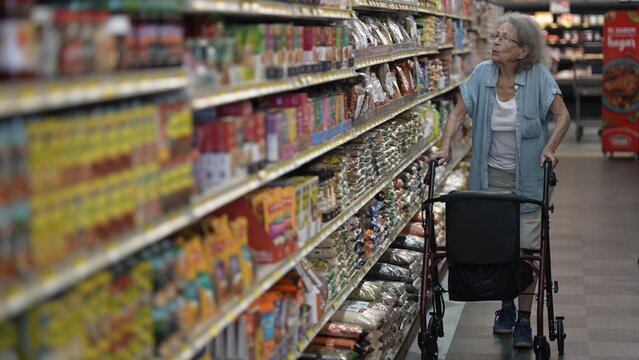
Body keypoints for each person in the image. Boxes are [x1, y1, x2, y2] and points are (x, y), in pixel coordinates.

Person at [430, 12, 571, 348]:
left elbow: (562, 115)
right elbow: (457, 112)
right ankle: (505, 308)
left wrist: (551, 148)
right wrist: (445, 146)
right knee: (497, 248)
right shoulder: (481, 74)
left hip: (528, 183)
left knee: (525, 251)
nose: (495, 42)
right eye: (494, 36)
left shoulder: (538, 76)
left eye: (503, 38)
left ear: (523, 50)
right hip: (488, 180)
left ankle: (524, 319)